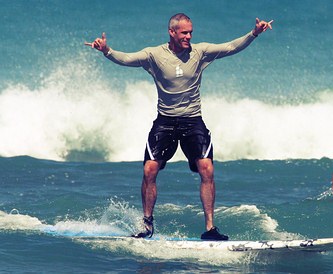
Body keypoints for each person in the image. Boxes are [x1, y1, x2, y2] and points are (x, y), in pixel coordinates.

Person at [85, 13, 273, 240]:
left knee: (207, 169)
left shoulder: (200, 52)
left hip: (193, 120)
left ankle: (210, 229)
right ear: (172, 32)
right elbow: (127, 59)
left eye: (191, 32)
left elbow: (230, 47)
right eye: (184, 32)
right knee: (149, 170)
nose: (189, 36)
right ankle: (147, 225)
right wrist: (107, 51)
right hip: (165, 121)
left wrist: (253, 34)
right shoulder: (154, 55)